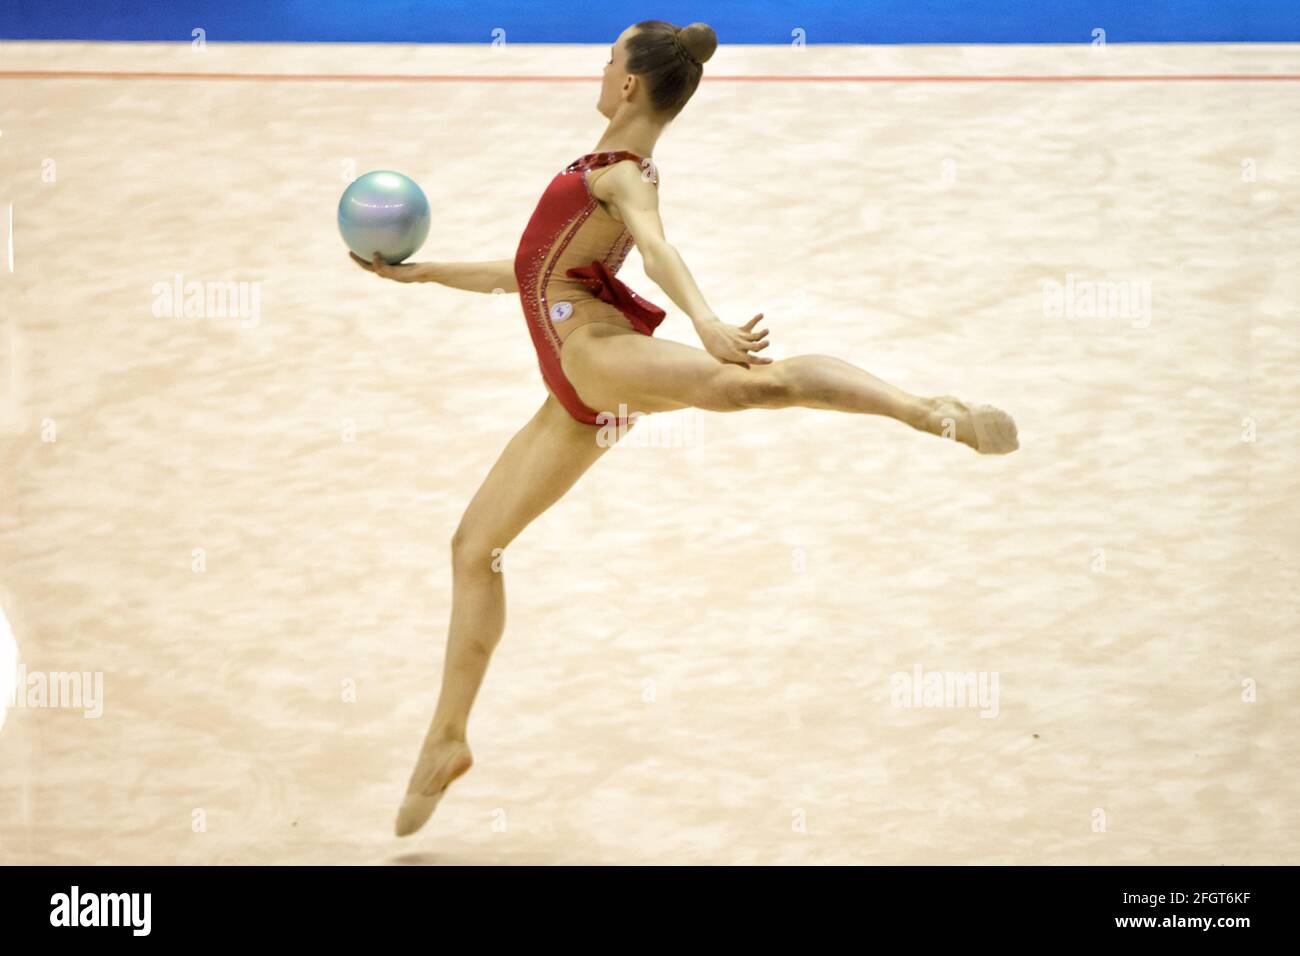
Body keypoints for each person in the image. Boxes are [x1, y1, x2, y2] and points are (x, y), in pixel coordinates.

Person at [350, 19, 1018, 837]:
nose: (599, 69)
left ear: (628, 84)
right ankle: (446, 737)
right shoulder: (594, 170)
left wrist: (702, 320)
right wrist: (420, 274)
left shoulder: (625, 174)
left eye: (608, 61)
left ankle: (924, 410)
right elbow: (521, 272)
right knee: (473, 548)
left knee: (746, 387)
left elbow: (659, 250)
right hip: (570, 395)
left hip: (593, 354)